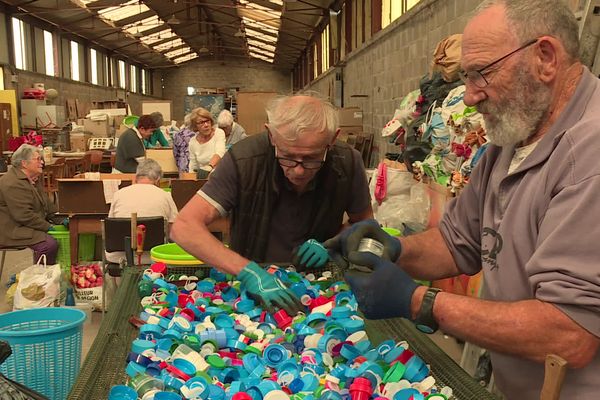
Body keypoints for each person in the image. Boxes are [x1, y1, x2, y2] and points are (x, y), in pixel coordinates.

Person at [326, 1, 600, 398]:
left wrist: (419, 301)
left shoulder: (588, 156)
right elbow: (458, 242)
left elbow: (569, 334)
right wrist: (392, 248)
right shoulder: (512, 142)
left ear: (545, 57)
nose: (469, 97)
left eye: (481, 74)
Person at [171, 94, 373, 314]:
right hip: (253, 290)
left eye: (311, 158)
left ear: (332, 139)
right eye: (287, 156)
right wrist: (248, 272)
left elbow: (364, 224)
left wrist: (335, 244)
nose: (298, 170)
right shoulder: (243, 160)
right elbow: (184, 227)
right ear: (271, 135)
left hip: (319, 287)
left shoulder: (347, 162)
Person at [106, 159, 178, 264]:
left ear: (136, 177)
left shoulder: (119, 194)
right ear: (158, 180)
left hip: (120, 257)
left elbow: (112, 225)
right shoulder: (165, 196)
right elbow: (174, 230)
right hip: (154, 256)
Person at [0, 145, 59, 263]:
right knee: (49, 244)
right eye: (37, 159)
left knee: (64, 235)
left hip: (25, 226)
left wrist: (60, 217)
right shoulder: (12, 183)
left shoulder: (33, 179)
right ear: (24, 163)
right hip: (11, 230)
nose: (42, 162)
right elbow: (23, 215)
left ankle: (50, 274)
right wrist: (49, 227)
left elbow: (47, 206)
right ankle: (39, 278)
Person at [187, 107, 226, 177]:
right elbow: (193, 165)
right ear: (195, 126)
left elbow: (220, 152)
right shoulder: (193, 142)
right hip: (203, 178)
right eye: (201, 122)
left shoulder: (218, 133)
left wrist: (209, 167)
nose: (206, 125)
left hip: (220, 176)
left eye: (207, 121)